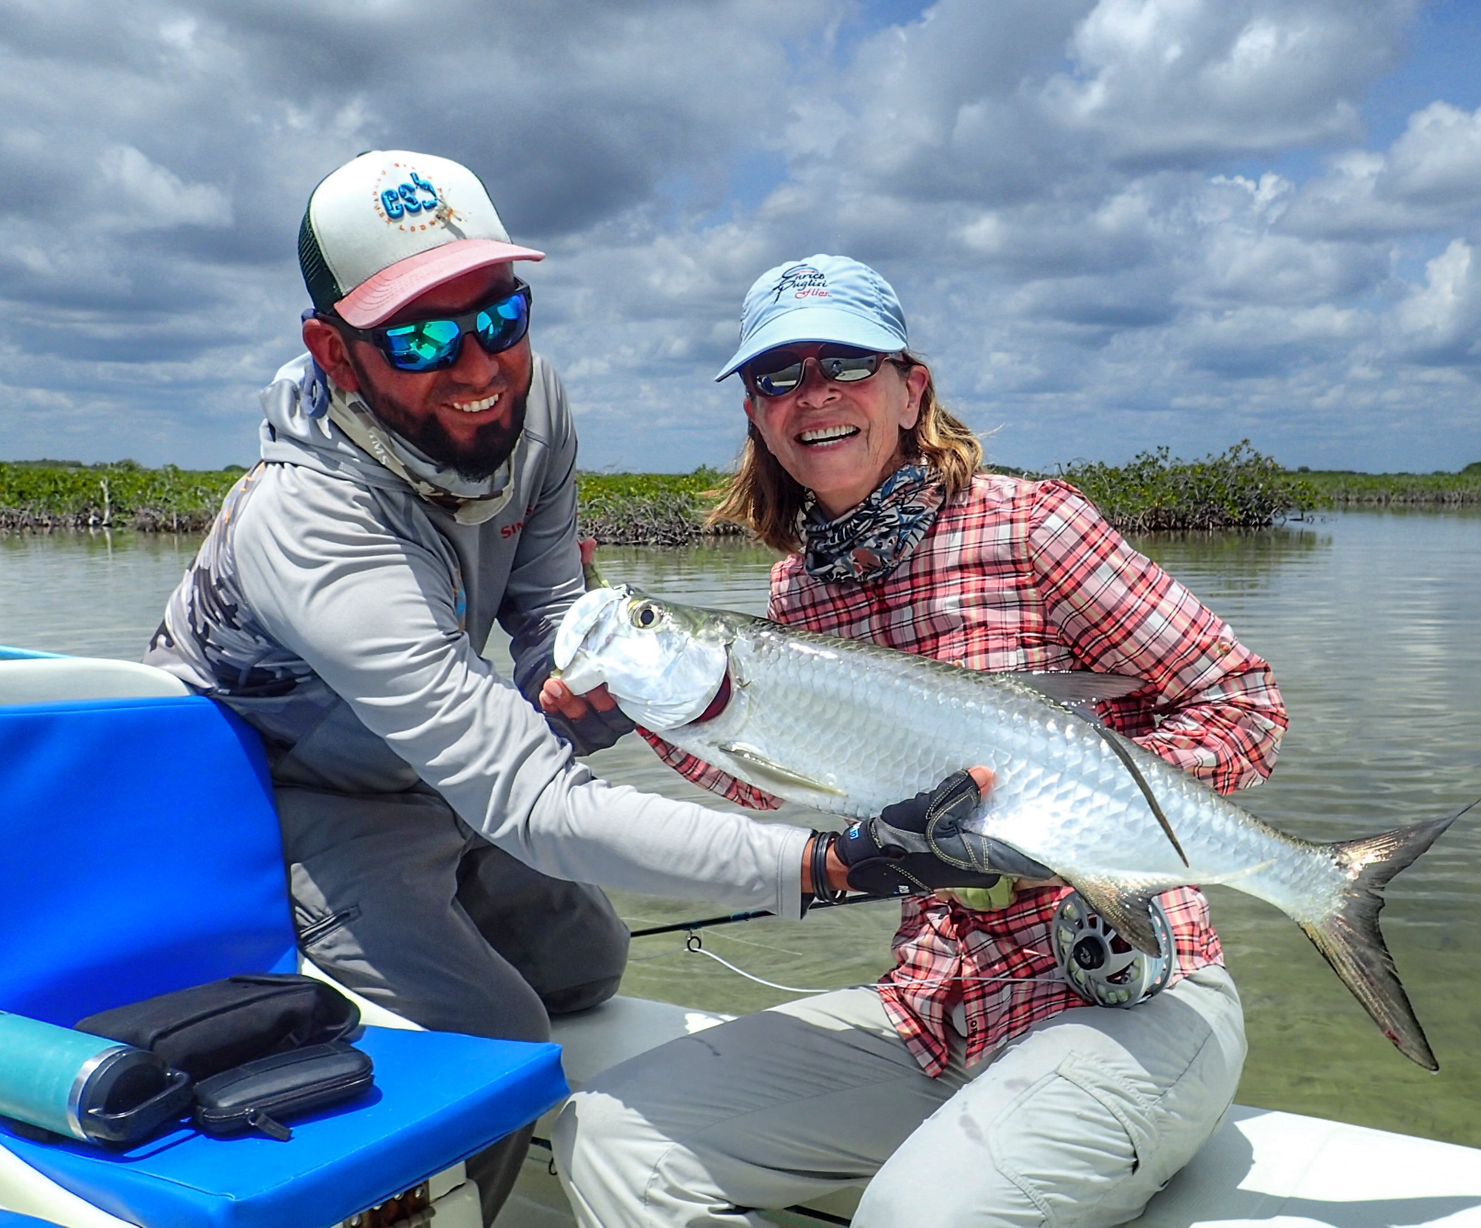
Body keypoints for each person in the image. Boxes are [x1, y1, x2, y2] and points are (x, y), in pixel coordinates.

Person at [144, 167, 1001, 1225]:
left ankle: (414, 939)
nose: (478, 369)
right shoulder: (306, 525)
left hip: (438, 764)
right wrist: (825, 864)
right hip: (296, 796)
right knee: (504, 1036)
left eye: (501, 315)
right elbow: (538, 807)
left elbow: (553, 612)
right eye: (418, 339)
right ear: (335, 355)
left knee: (587, 965)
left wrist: (581, 674)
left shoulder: (535, 401)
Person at [549, 254, 1289, 1227]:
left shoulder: (1032, 527)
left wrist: (1081, 815)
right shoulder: (795, 595)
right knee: (608, 1137)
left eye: (845, 363)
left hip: (1133, 996)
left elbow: (1243, 702)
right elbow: (784, 784)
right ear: (757, 416)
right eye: (778, 376)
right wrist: (640, 711)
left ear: (911, 390)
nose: (813, 395)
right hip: (935, 1007)